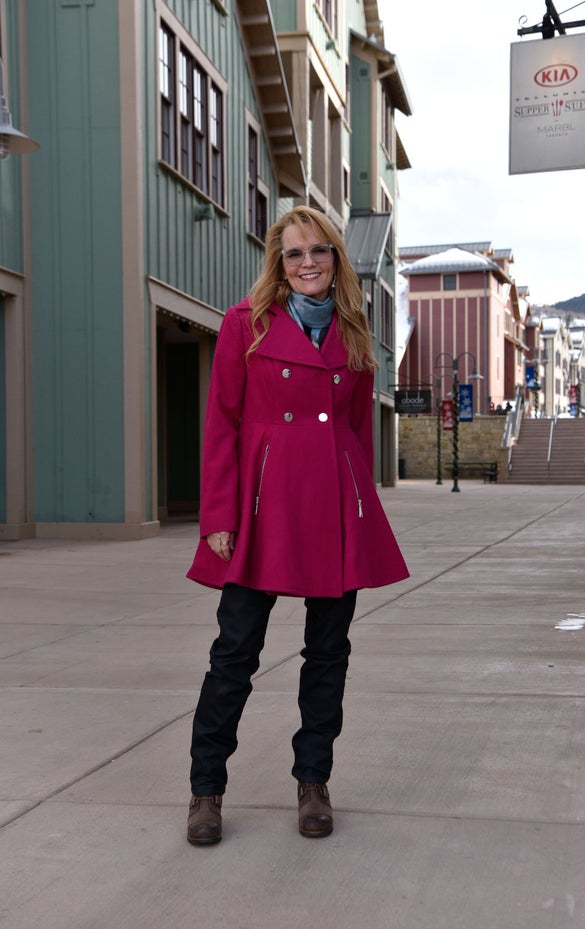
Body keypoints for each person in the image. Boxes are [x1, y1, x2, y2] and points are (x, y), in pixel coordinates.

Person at [185, 206, 410, 846]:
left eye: (319, 251)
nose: (307, 262)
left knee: (328, 656)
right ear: (278, 265)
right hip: (261, 510)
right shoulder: (244, 326)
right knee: (234, 654)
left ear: (335, 259)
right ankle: (206, 793)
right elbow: (222, 425)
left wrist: (361, 510)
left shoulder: (355, 333)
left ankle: (314, 784)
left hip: (336, 509)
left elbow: (356, 433)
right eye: (294, 254)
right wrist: (219, 518)